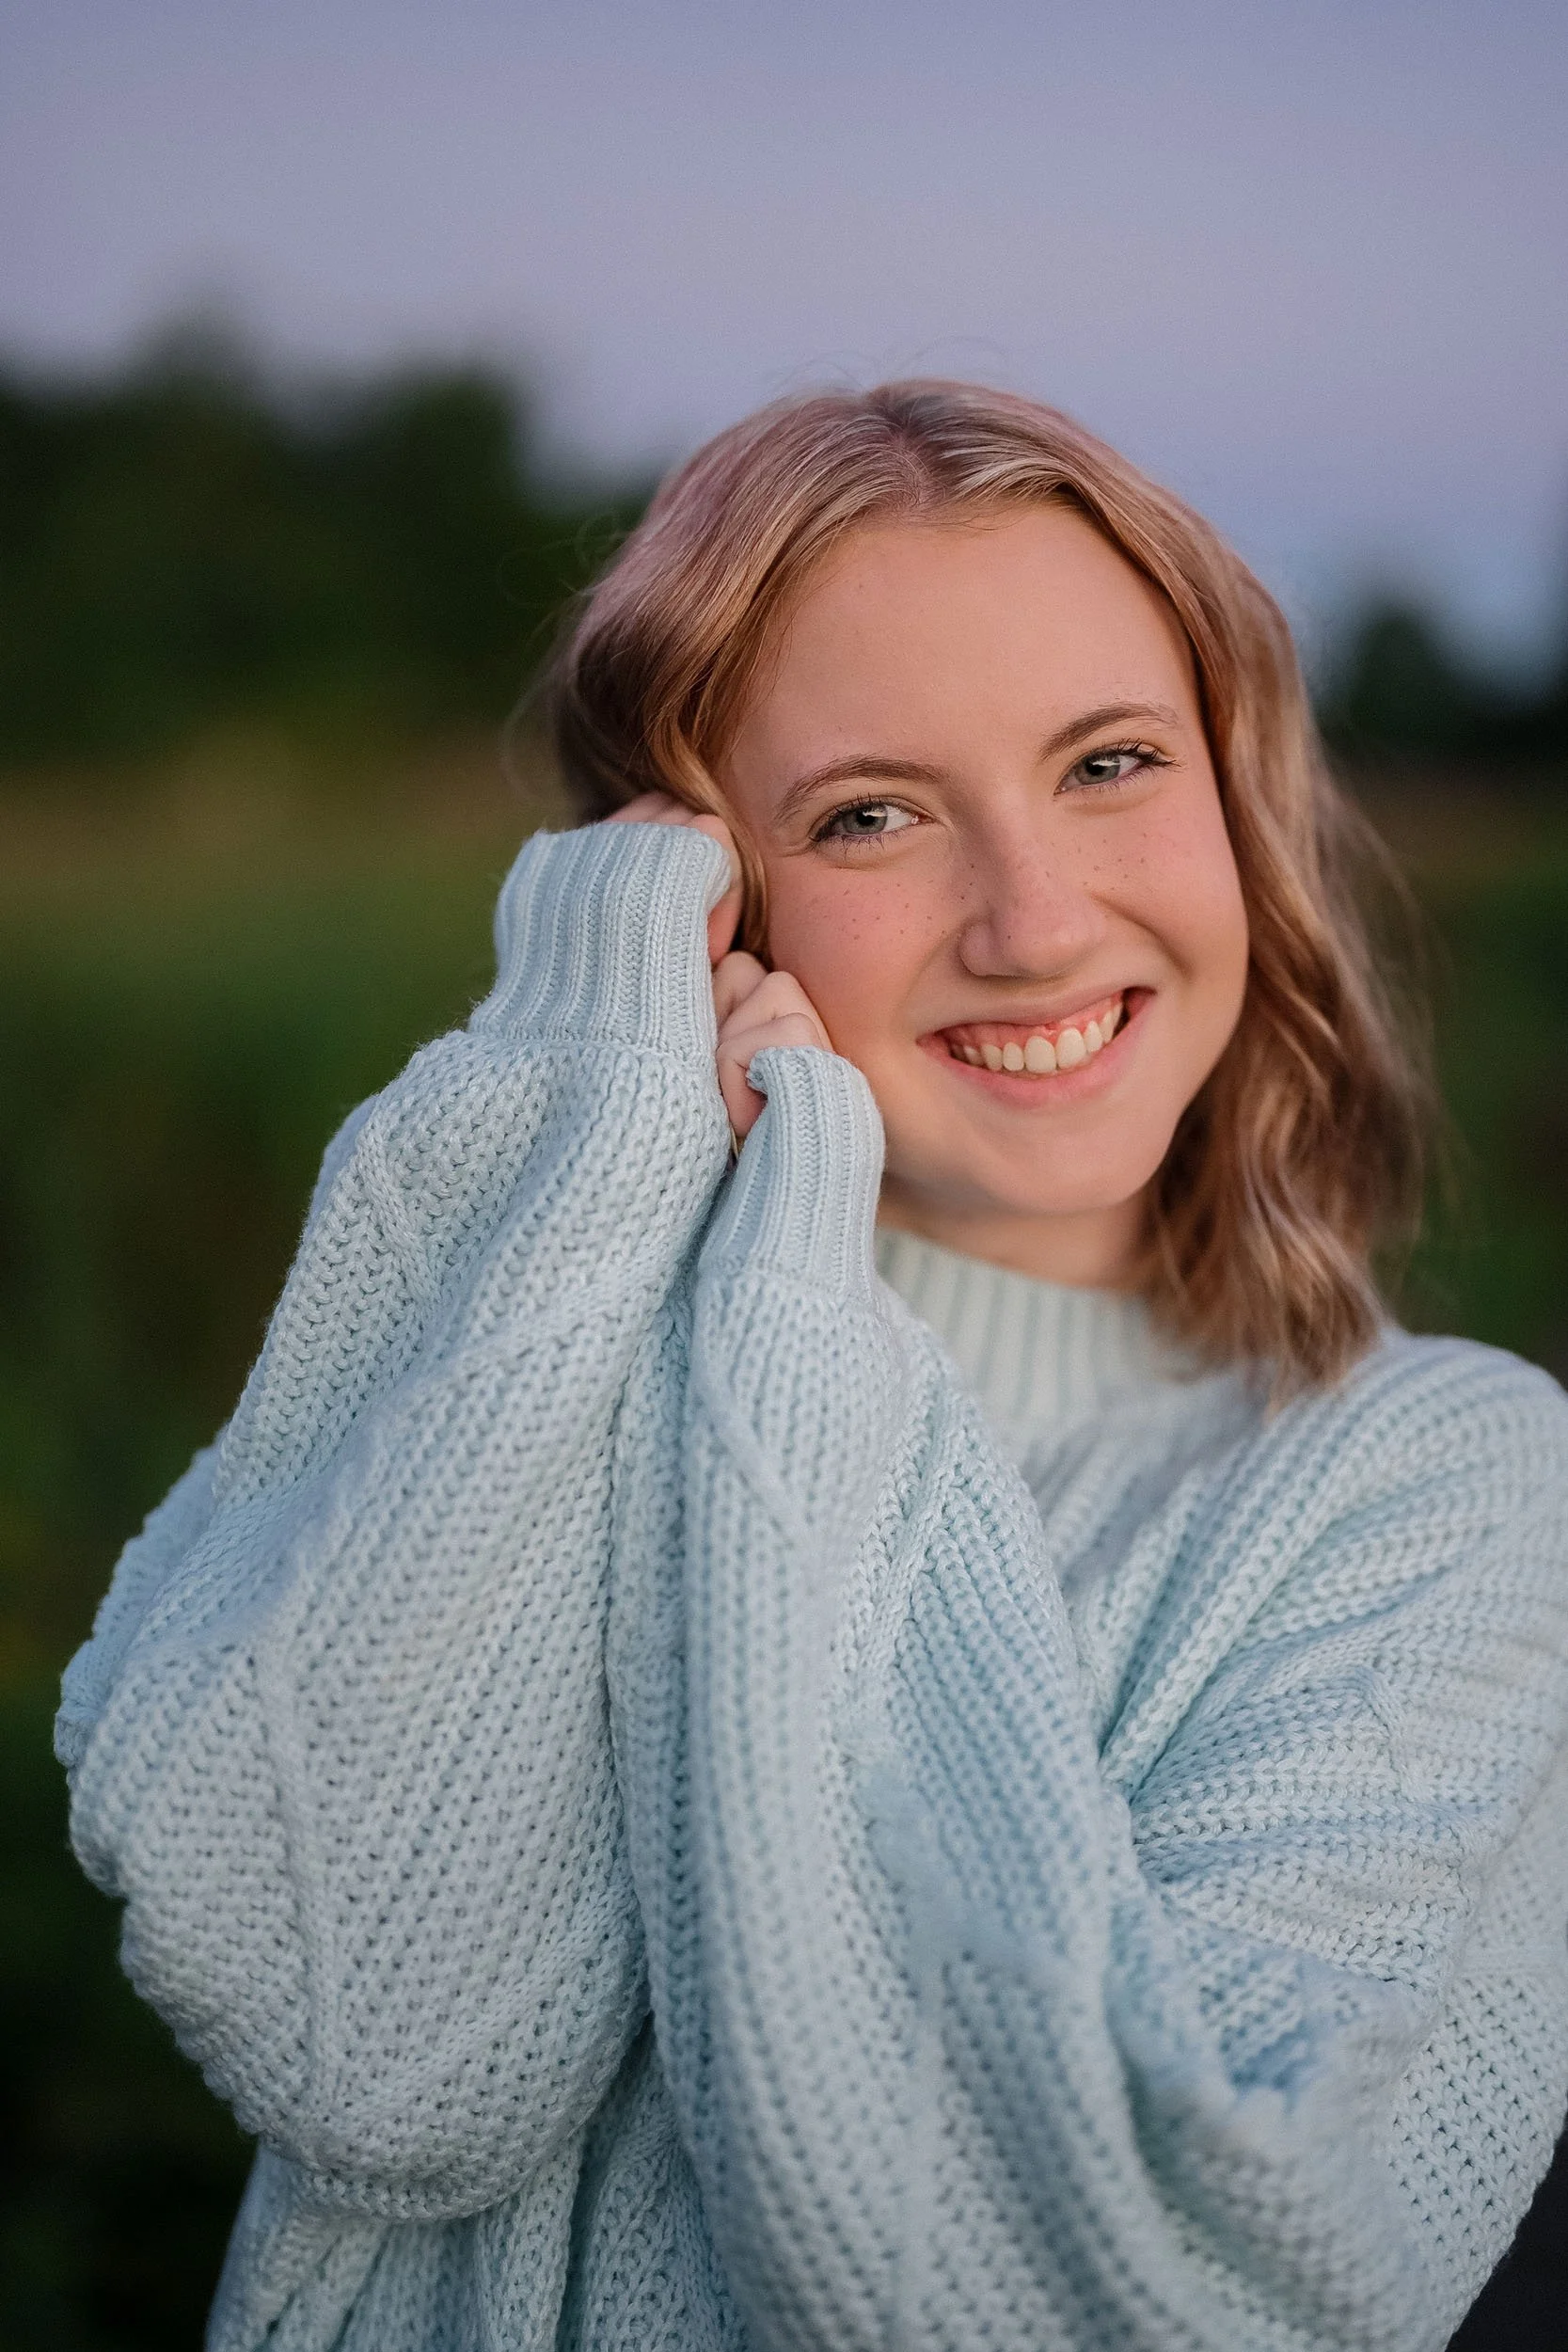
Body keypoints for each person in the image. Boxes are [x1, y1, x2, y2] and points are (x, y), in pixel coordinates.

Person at [56, 383, 1568, 2352]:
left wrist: (789, 1320)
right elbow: (378, 2049)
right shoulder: (543, 1359)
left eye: (1109, 761)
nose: (1032, 922)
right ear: (691, 889)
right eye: (870, 812)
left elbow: (1146, 2295)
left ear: (1233, 794)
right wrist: (604, 1126)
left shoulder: (1437, 1482)